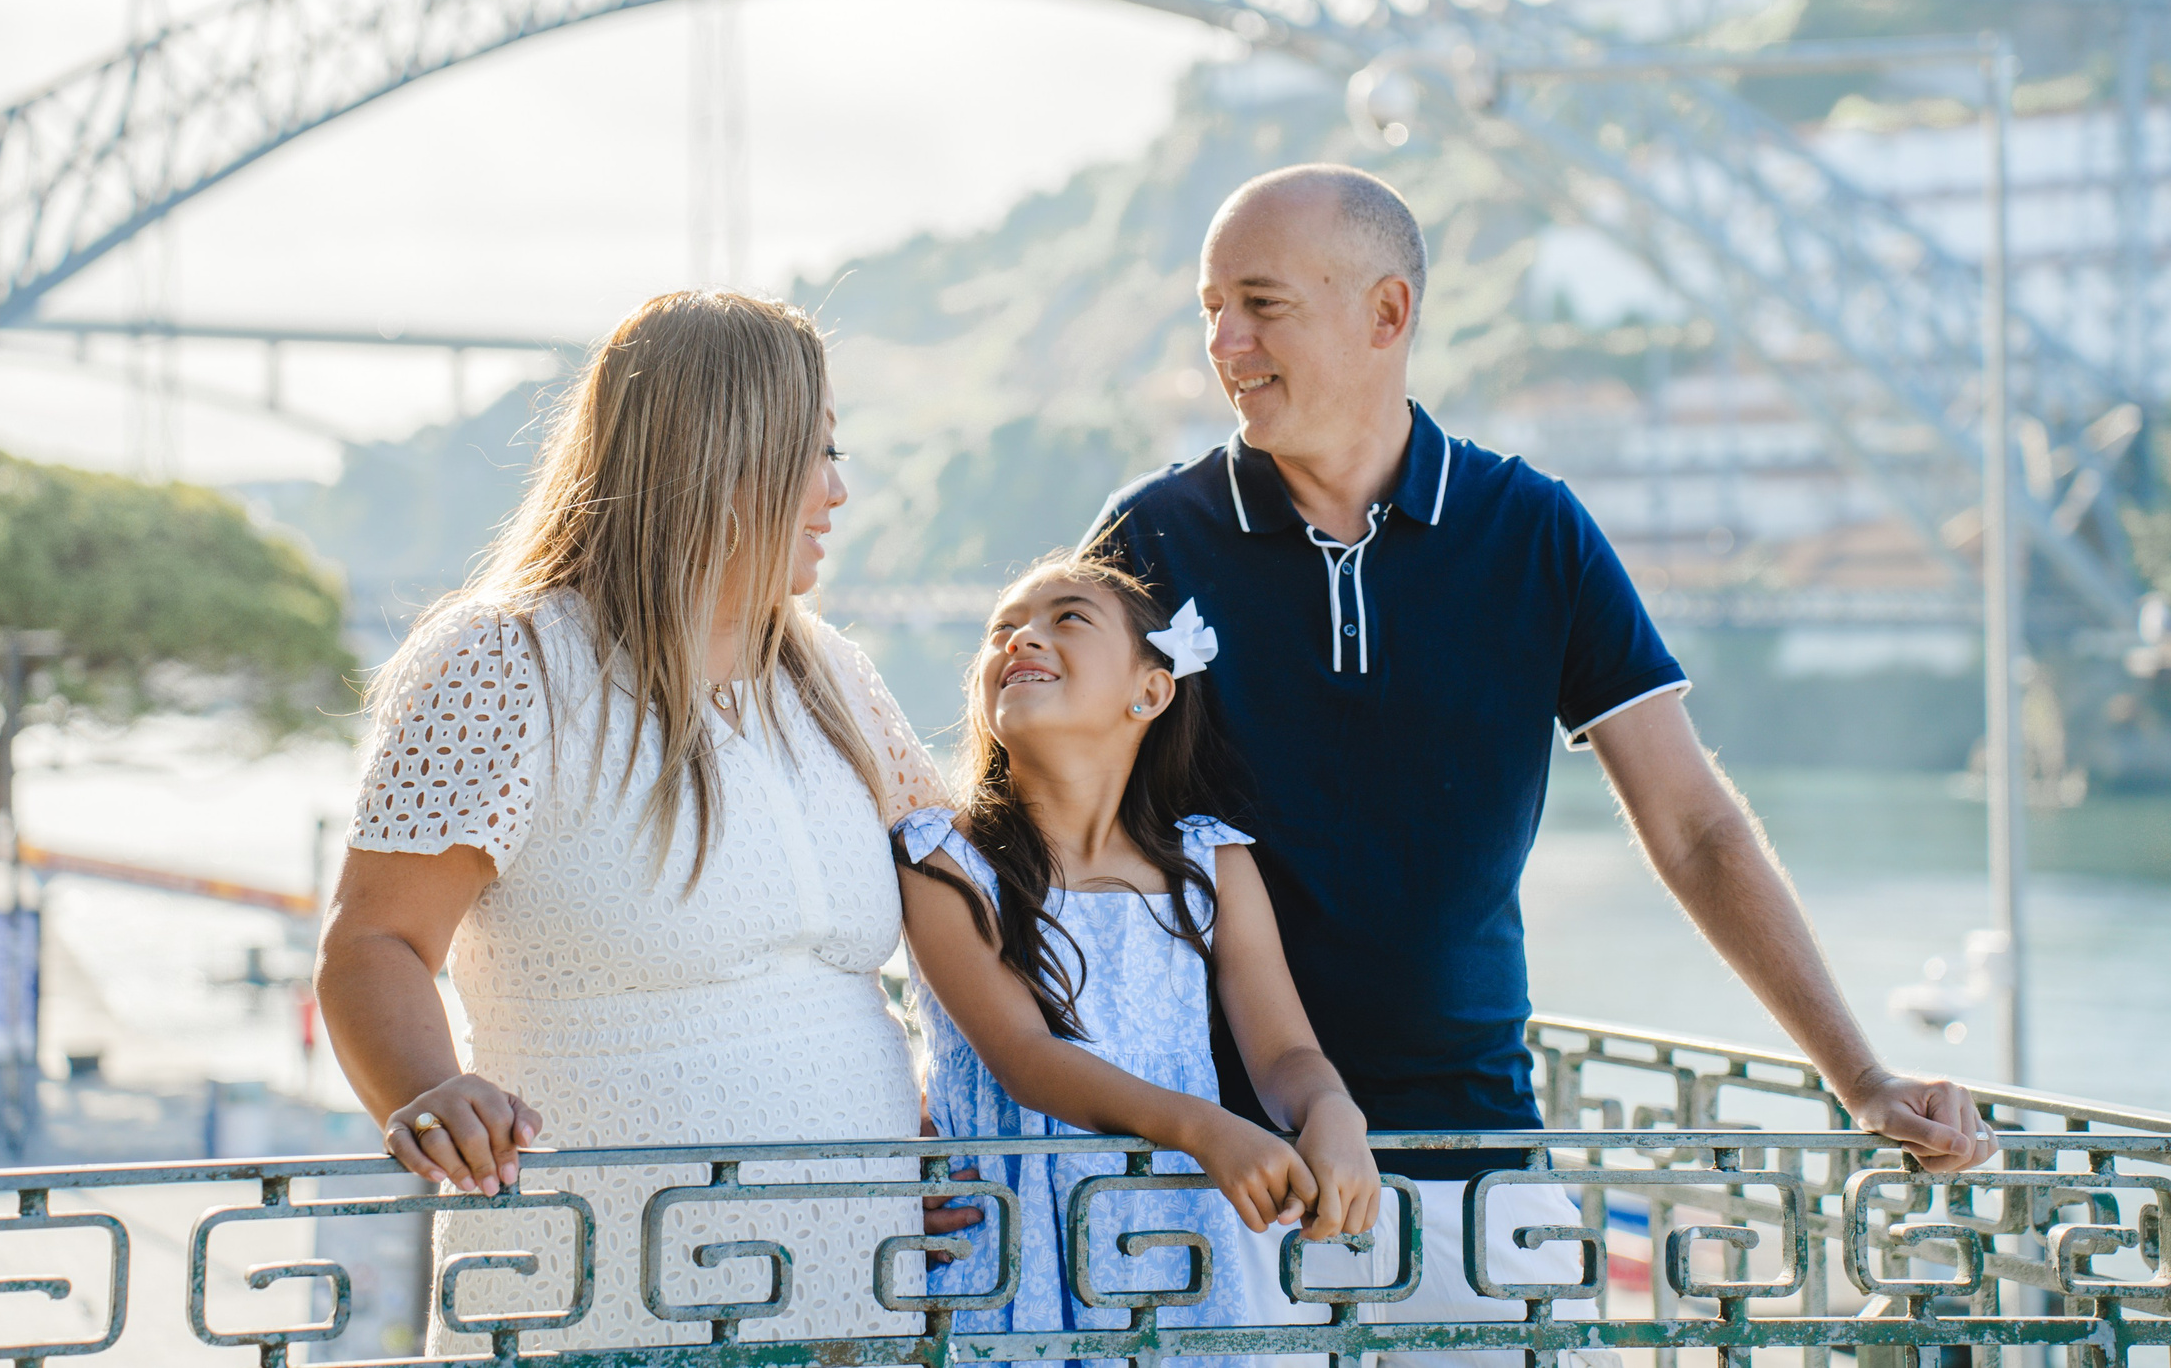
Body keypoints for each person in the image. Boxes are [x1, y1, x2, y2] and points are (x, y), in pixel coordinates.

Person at [1084, 164, 1995, 1357]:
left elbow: (1694, 827)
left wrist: (1859, 1077)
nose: (1223, 343)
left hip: (1480, 1173)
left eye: (1261, 305)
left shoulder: (1532, 530)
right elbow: (1041, 834)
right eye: (1211, 308)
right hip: (1215, 1179)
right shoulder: (1150, 536)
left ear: (1387, 313)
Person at [315, 290, 962, 1354]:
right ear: (720, 459)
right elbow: (372, 941)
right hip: (599, 1304)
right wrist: (431, 1091)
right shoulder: (508, 662)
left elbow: (966, 912)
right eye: (815, 451)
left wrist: (949, 1118)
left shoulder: (835, 676)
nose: (837, 490)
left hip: (864, 1300)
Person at [895, 555, 1380, 1361]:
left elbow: (1283, 1051)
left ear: (1151, 691)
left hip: (1168, 1248)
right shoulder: (943, 860)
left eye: (1067, 618)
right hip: (1005, 1252)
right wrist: (1206, 1129)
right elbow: (1026, 1057)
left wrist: (1331, 1109)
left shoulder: (1212, 864)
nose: (1021, 638)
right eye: (1001, 628)